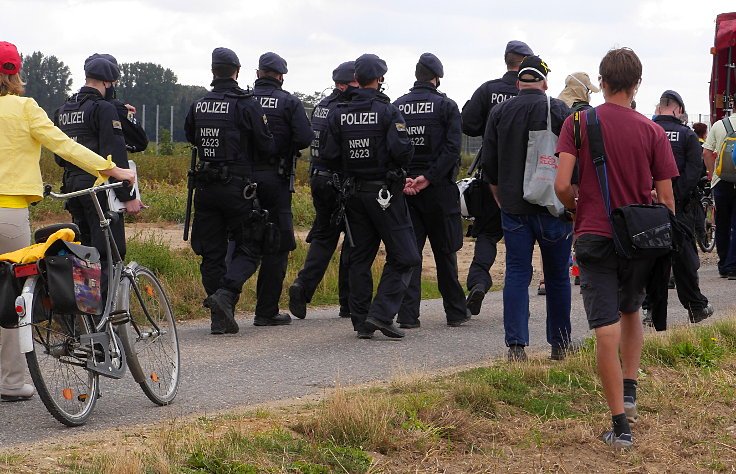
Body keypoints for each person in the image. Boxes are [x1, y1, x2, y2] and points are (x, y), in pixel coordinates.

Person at [555, 47, 679, 449]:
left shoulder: (577, 123)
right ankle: (630, 389)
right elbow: (667, 199)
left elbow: (560, 184)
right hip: (638, 241)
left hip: (593, 234)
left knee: (604, 327)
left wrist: (578, 208)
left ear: (602, 82)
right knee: (631, 310)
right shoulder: (652, 131)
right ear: (637, 84)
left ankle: (619, 426)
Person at [0, 41, 135, 401]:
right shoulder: (24, 108)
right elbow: (64, 146)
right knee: (11, 296)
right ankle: (11, 382)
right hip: (8, 213)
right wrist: (111, 169)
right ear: (14, 73)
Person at [482, 55, 573, 362]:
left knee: (517, 273)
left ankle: (517, 346)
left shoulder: (500, 112)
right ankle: (560, 344)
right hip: (553, 207)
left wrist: (500, 196)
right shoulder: (560, 110)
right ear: (545, 82)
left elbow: (489, 165)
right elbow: (576, 161)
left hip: (514, 207)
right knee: (558, 275)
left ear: (519, 82)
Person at [323, 53, 419, 339]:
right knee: (406, 255)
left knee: (359, 257)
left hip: (353, 194)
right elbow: (402, 150)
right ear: (379, 80)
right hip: (384, 194)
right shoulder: (388, 111)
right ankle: (380, 314)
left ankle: (361, 320)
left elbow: (328, 155)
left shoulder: (338, 112)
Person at [184, 47, 275, 334]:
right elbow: (266, 145)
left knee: (212, 253)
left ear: (213, 71)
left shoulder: (199, 104)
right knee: (252, 245)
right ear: (237, 71)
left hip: (206, 188)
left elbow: (191, 136)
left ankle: (219, 318)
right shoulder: (246, 103)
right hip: (238, 188)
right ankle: (226, 294)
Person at [394, 53, 468, 328]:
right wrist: (429, 177)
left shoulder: (397, 106)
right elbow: (451, 150)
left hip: (405, 191)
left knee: (410, 254)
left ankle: (408, 316)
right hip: (438, 190)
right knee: (445, 253)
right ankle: (456, 312)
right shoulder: (447, 106)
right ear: (436, 78)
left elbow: (391, 148)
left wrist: (405, 179)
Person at [54, 56, 143, 286]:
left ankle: (83, 313)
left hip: (71, 186)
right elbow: (115, 155)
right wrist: (129, 197)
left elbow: (58, 157)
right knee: (109, 254)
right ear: (107, 83)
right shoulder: (103, 109)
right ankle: (103, 314)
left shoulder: (63, 110)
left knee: (82, 253)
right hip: (98, 189)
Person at [461, 40, 533, 316]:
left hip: (493, 175)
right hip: (529, 179)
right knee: (526, 238)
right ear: (525, 62)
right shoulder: (533, 94)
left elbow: (467, 123)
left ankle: (478, 281)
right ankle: (521, 300)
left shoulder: (488, 90)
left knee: (487, 235)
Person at [288, 61, 357, 320]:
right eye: (354, 83)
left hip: (319, 178)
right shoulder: (344, 108)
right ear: (341, 84)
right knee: (353, 239)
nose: (358, 87)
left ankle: (303, 286)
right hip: (342, 180)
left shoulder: (321, 106)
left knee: (324, 237)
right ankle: (348, 303)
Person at [249, 52, 314, 326]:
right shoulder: (288, 102)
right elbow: (304, 137)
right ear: (280, 76)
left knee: (241, 242)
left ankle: (224, 303)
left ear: (257, 73)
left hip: (241, 180)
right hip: (275, 180)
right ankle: (266, 310)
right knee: (276, 244)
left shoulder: (243, 99)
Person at [652, 91, 713, 323]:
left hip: (650, 204)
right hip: (681, 207)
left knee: (652, 257)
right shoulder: (687, 135)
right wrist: (675, 197)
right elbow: (695, 171)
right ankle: (695, 307)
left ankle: (650, 311)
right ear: (678, 110)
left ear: (660, 108)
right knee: (684, 258)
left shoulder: (648, 129)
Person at [83, 53, 148, 153]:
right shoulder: (113, 108)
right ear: (108, 81)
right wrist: (122, 111)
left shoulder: (69, 107)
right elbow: (141, 141)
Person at [703, 116, 736, 279]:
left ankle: (723, 265)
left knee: (722, 222)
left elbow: (706, 152)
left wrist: (712, 174)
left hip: (721, 180)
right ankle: (733, 265)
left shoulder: (719, 125)